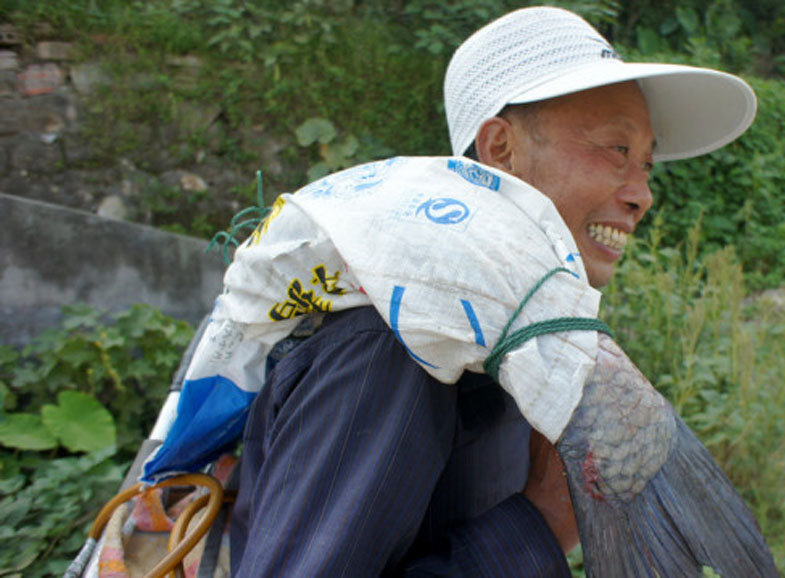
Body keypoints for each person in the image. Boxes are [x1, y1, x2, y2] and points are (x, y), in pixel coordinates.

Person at [226, 6, 756, 576]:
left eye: (648, 165)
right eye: (616, 149)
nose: (642, 195)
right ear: (500, 148)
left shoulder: (504, 331)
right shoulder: (394, 342)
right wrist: (545, 521)